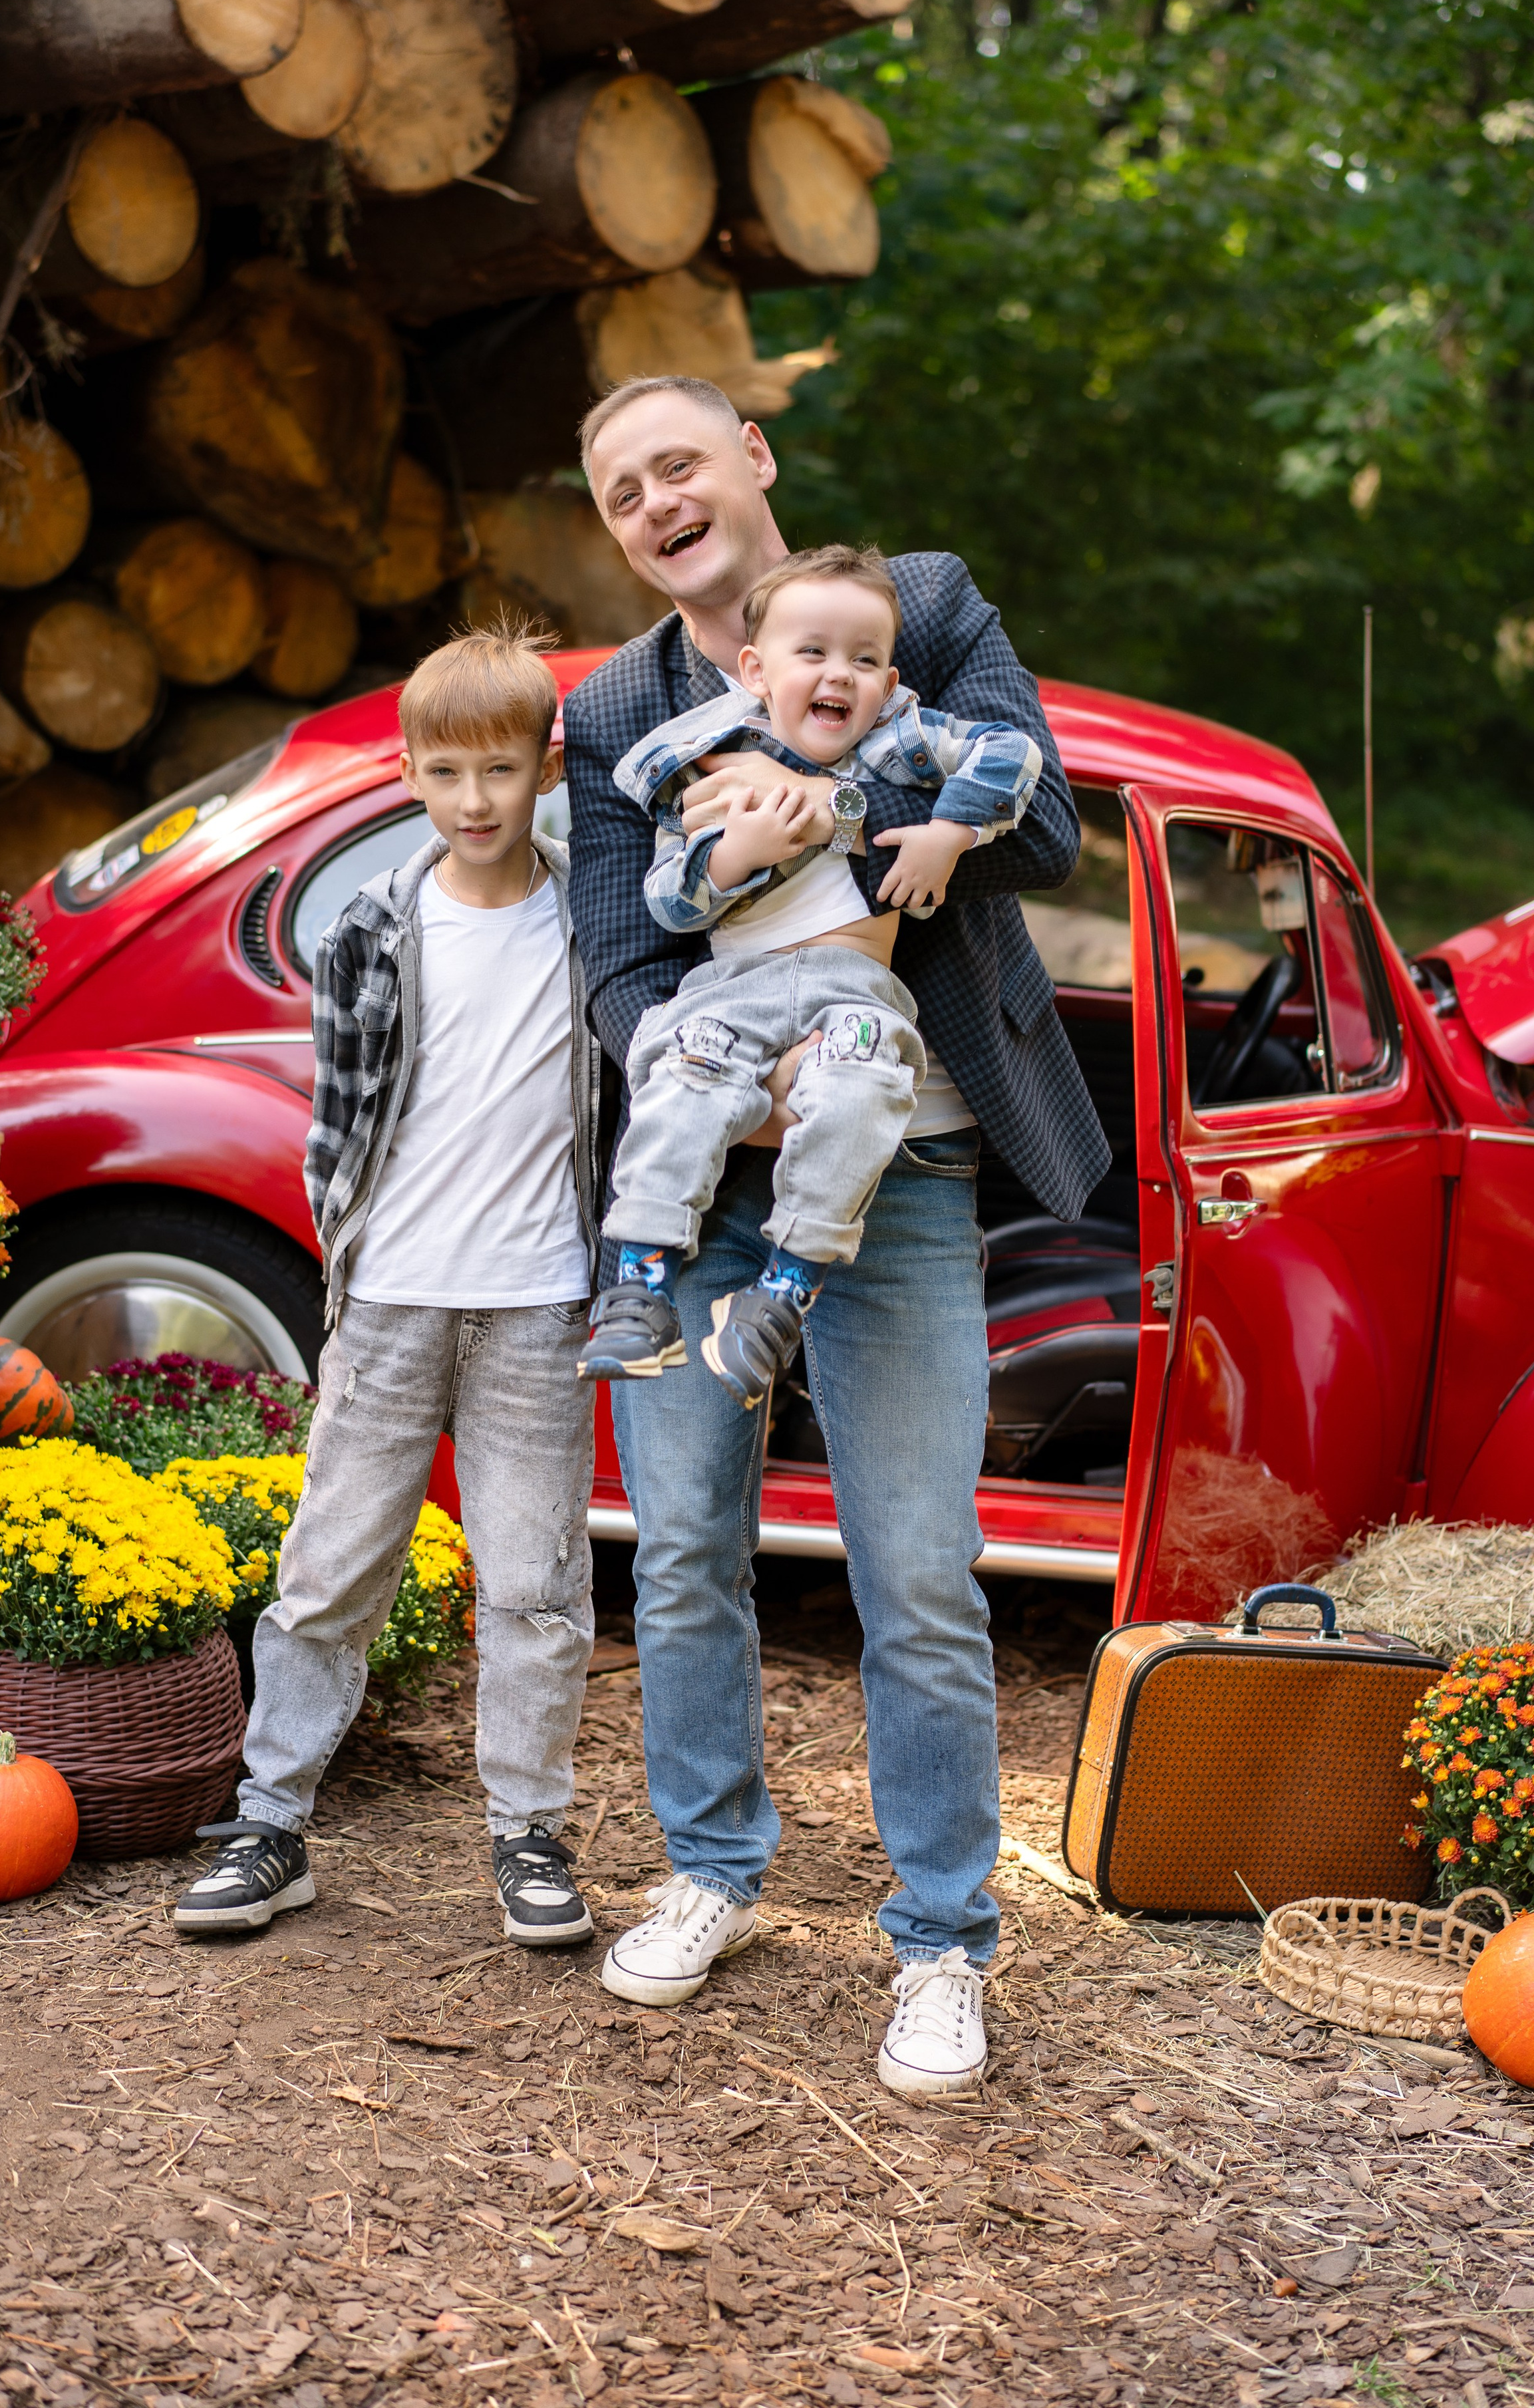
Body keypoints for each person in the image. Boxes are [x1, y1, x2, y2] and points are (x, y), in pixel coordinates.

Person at [563, 375, 1111, 2099]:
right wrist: (749, 1086)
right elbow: (617, 971)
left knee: (921, 1569)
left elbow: (1047, 821)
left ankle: (943, 1940)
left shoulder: (917, 611)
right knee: (685, 1552)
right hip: (715, 1187)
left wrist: (844, 821)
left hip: (916, 1177)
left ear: (756, 459)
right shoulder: (613, 718)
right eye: (621, 488)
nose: (659, 498)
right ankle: (715, 1868)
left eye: (681, 462)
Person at [174, 625, 603, 1952]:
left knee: (533, 1582)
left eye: (497, 770)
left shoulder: (593, 915)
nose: (473, 800)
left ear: (545, 765)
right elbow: (337, 1124)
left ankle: (527, 1831)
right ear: (409, 775)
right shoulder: (374, 924)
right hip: (393, 1299)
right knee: (328, 1569)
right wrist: (348, 1274)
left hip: (538, 1301)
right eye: (442, 772)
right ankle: (270, 1821)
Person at [581, 541, 1044, 1412]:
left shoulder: (904, 744)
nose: (840, 676)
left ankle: (782, 1296)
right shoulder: (710, 761)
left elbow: (1015, 758)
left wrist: (951, 830)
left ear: (890, 678)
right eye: (815, 655)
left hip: (852, 993)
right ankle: (640, 1282)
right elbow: (666, 907)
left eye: (863, 660)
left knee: (866, 1089)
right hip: (736, 989)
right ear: (756, 670)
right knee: (680, 1077)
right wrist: (731, 859)